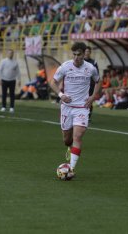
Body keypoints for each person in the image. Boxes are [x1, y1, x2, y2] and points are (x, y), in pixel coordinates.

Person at [49, 42, 100, 179]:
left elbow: (98, 81)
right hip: (67, 108)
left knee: (78, 136)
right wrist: (61, 95)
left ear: (84, 54)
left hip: (82, 108)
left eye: (79, 54)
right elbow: (53, 83)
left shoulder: (90, 68)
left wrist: (93, 96)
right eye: (74, 54)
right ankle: (69, 147)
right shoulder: (65, 66)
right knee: (67, 140)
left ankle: (71, 168)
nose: (76, 57)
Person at [84, 46, 99, 120]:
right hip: (82, 84)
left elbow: (97, 74)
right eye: (85, 51)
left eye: (88, 51)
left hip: (91, 84)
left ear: (90, 53)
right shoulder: (81, 61)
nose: (87, 53)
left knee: (89, 100)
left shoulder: (94, 62)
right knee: (82, 100)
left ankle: (88, 116)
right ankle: (82, 115)